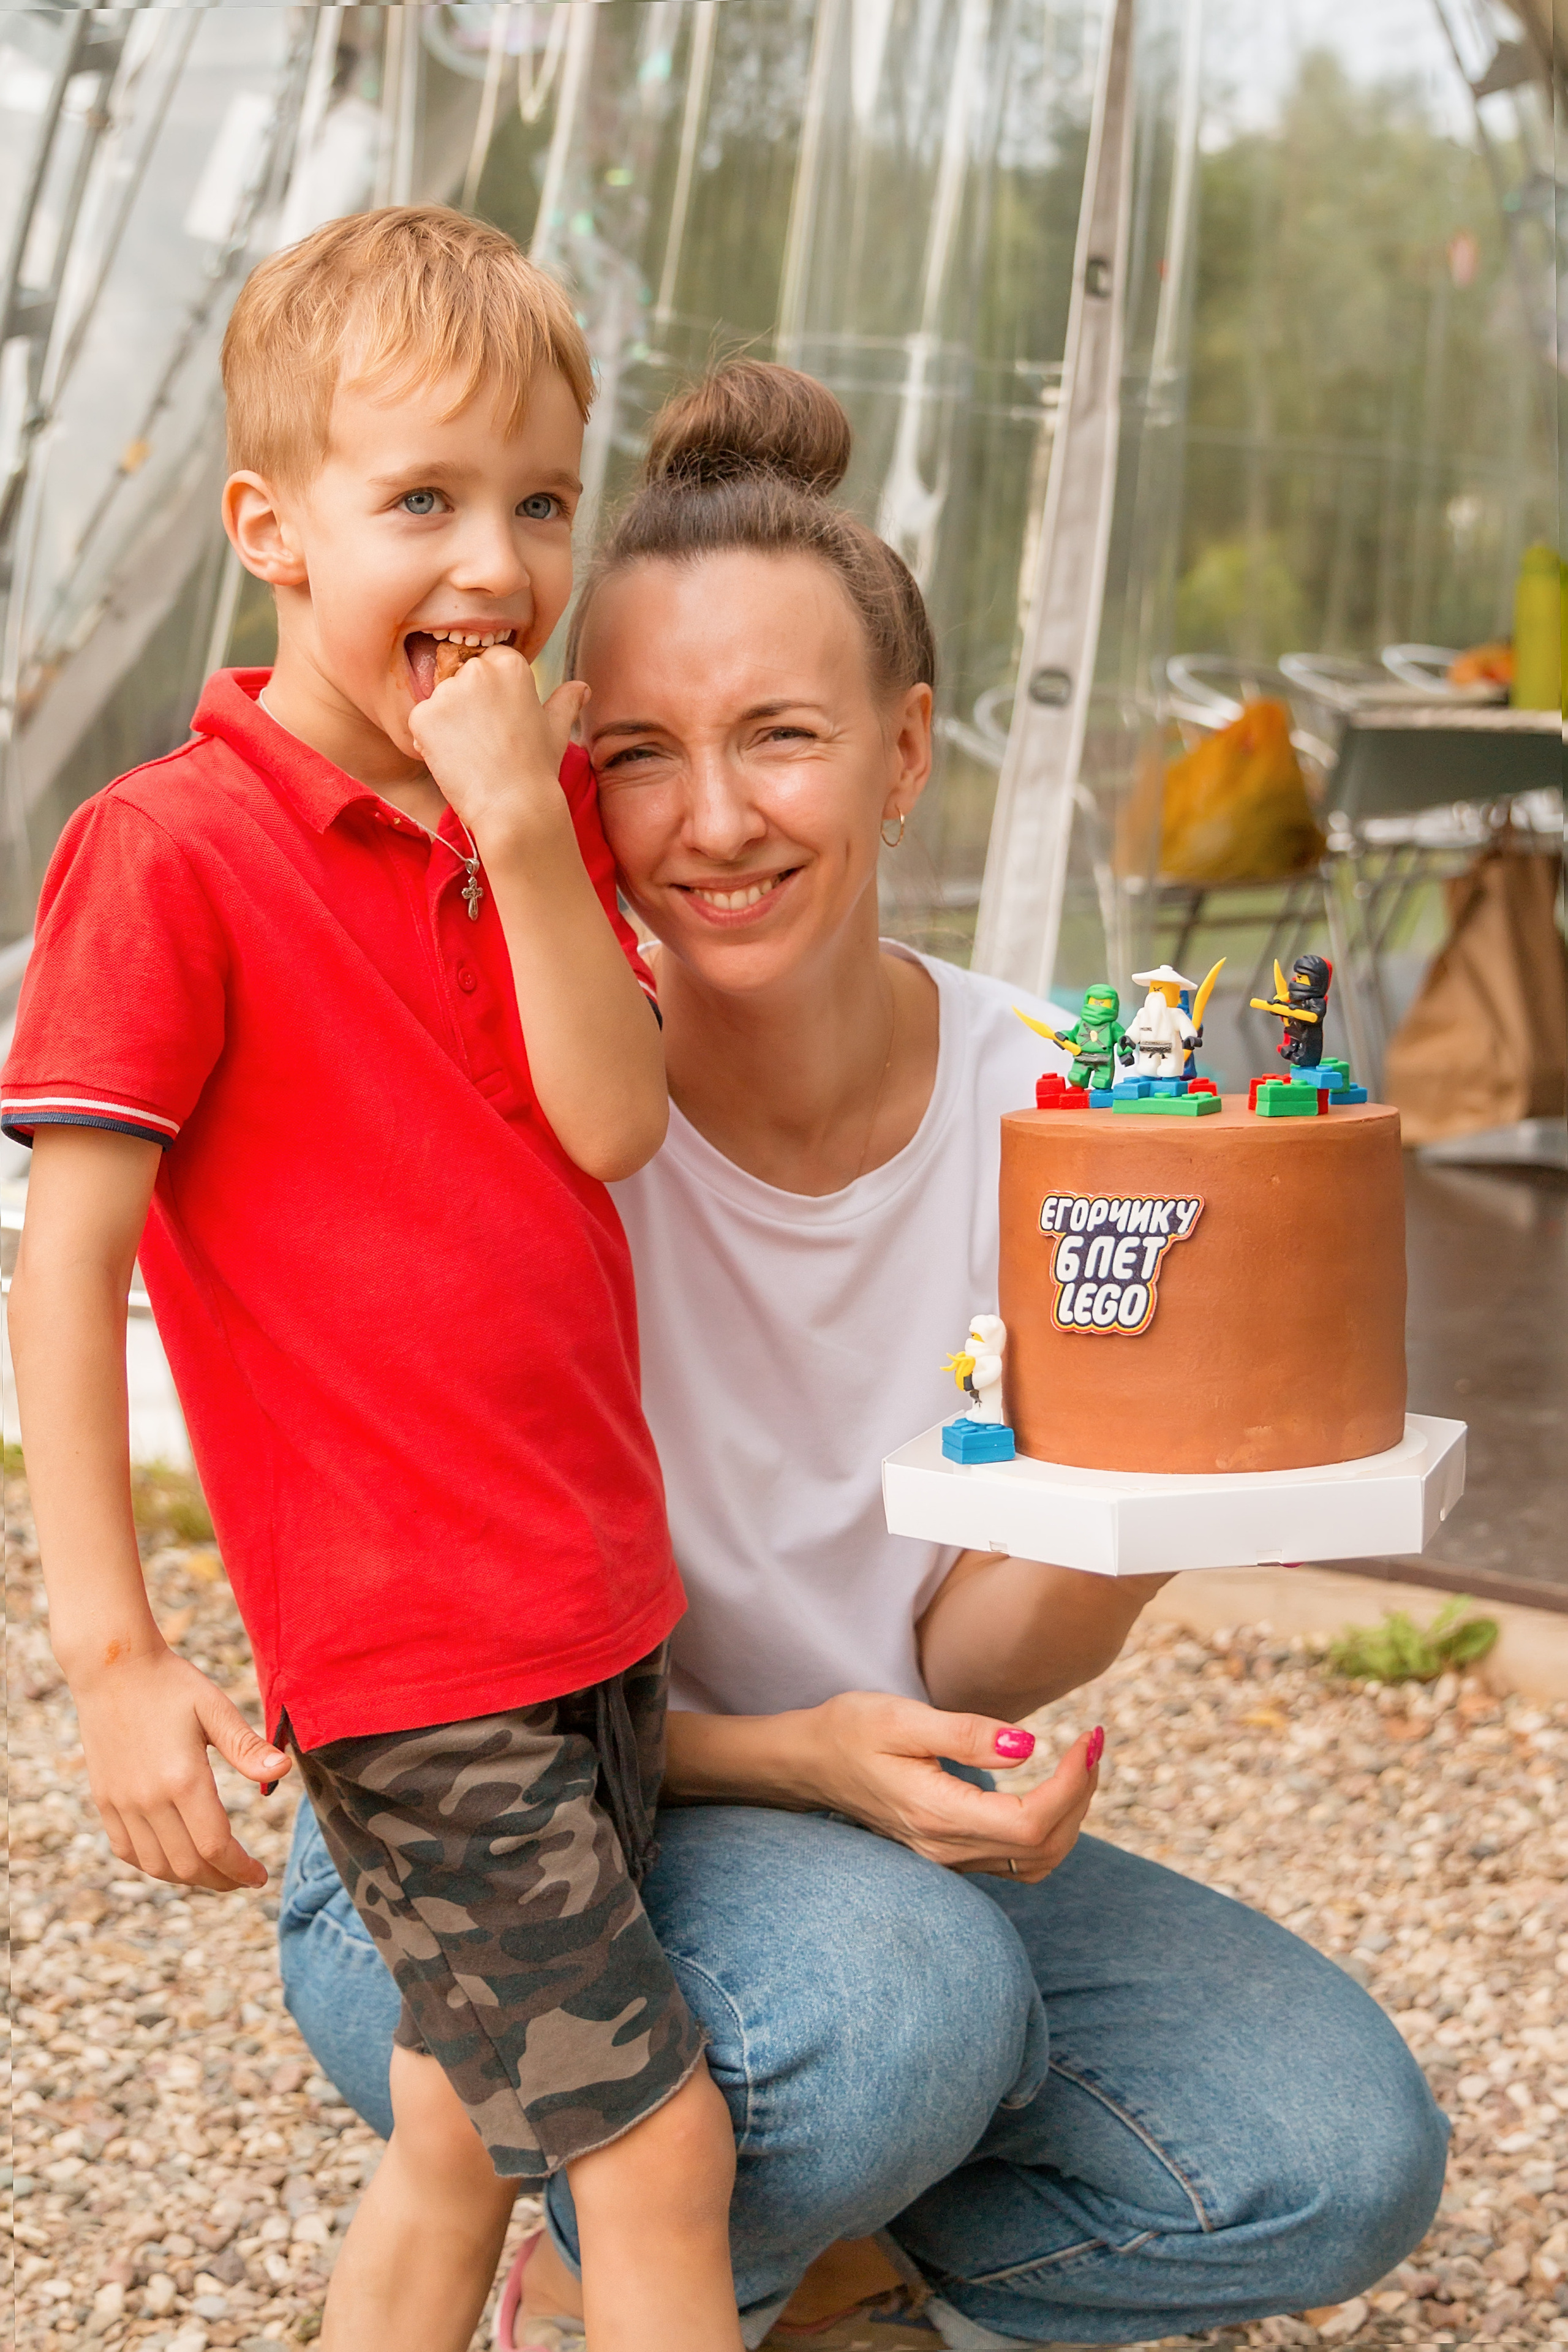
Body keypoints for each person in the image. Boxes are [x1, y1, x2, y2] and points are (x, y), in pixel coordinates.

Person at [279, 360, 1450, 2350]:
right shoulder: (524, 1106)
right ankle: (606, 2275)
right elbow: (415, 1668)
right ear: (566, 769)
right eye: (640, 751)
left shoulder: (1069, 1122)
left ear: (909, 754)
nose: (713, 820)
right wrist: (809, 1758)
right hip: (499, 1828)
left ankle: (830, 2262)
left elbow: (976, 1659)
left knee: (1333, 2152)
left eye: (785, 738)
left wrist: (1164, 1476)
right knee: (911, 2000)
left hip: (864, 1835)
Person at [2, 208, 750, 2352]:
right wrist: (112, 1656)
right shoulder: (168, 852)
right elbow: (67, 1267)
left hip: (601, 1604)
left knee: (453, 2127)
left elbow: (616, 1126)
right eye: (420, 500)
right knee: (656, 2160)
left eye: (534, 502)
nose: (495, 564)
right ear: (274, 529)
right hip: (416, 1660)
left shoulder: (525, 812)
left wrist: (523, 830)